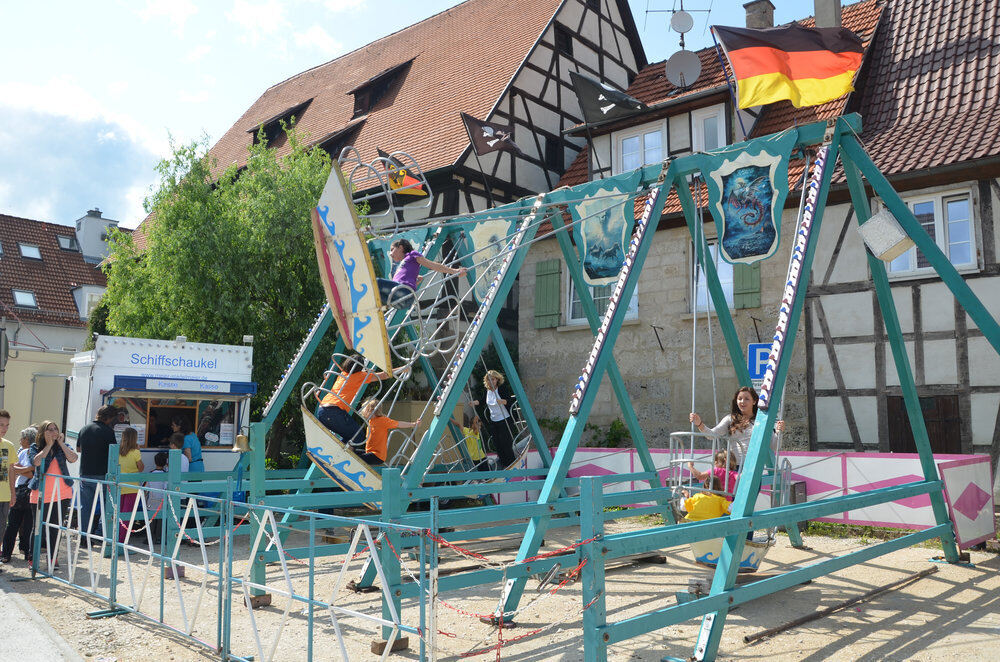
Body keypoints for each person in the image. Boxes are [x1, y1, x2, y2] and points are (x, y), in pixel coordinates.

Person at [689, 386, 785, 467]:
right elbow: (711, 435)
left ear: (754, 401)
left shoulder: (762, 421)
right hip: (733, 467)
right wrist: (699, 424)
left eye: (747, 399)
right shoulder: (730, 419)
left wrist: (778, 432)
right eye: (739, 399)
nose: (742, 402)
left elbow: (774, 446)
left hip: (752, 468)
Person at [317, 352, 399, 446]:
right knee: (358, 435)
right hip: (334, 412)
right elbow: (384, 375)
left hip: (322, 410)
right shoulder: (361, 376)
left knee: (349, 435)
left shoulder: (343, 374)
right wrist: (403, 369)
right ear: (360, 368)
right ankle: (338, 454)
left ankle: (335, 451)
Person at [29, 420, 79, 562]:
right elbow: (36, 462)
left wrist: (61, 444)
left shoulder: (62, 447)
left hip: (62, 493)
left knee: (55, 528)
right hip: (40, 493)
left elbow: (74, 458)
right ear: (42, 432)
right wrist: (49, 445)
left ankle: (53, 558)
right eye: (49, 429)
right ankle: (33, 558)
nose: (53, 432)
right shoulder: (35, 447)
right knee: (38, 527)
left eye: (55, 429)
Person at [376, 238, 468, 310]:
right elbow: (418, 278)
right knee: (375, 295)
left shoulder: (412, 255)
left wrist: (455, 271)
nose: (391, 254)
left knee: (376, 283)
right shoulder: (404, 263)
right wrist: (415, 279)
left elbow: (432, 265)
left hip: (404, 293)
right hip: (399, 298)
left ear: (401, 247)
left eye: (392, 249)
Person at [76, 404, 118, 533]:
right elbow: (113, 452)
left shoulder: (84, 429)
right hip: (102, 474)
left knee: (86, 507)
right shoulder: (109, 432)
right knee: (107, 505)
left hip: (85, 473)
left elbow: (78, 449)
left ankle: (83, 534)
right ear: (110, 418)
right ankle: (101, 533)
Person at [2, 427, 37, 563]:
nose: (20, 440)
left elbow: (31, 474)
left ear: (27, 439)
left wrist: (18, 469)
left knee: (28, 525)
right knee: (12, 525)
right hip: (18, 490)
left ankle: (26, 552)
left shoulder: (34, 453)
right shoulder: (22, 452)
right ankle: (6, 553)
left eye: (22, 438)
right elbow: (15, 468)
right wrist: (24, 469)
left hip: (28, 491)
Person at [355, 398, 419, 466]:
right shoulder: (371, 422)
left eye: (364, 411)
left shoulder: (382, 421)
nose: (363, 414)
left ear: (370, 411)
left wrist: (413, 424)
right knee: (352, 453)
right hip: (370, 453)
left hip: (377, 456)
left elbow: (398, 424)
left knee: (356, 458)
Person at [476, 370, 517, 468]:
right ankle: (503, 463)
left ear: (497, 380)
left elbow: (510, 400)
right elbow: (482, 401)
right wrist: (474, 402)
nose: (491, 382)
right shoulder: (487, 390)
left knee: (505, 443)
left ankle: (511, 462)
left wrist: (503, 401)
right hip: (494, 420)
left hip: (504, 419)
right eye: (489, 380)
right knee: (497, 443)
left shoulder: (501, 388)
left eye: (493, 379)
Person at [117, 427, 145, 543]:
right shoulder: (135, 452)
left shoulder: (118, 451)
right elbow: (141, 468)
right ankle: (122, 539)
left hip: (119, 486)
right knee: (127, 515)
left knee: (118, 512)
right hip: (132, 486)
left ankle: (115, 536)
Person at [144, 451, 168, 543]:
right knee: (161, 521)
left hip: (151, 501)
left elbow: (145, 488)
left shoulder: (150, 474)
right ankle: (159, 538)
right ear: (166, 463)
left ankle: (149, 538)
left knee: (151, 520)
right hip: (162, 501)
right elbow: (166, 488)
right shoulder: (166, 475)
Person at [0, 410, 15, 557]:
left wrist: (13, 493)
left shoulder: (9, 446)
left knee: (1, 529)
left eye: (7, 425)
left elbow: (11, 470)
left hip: (4, 496)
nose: (4, 429)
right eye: (1, 425)